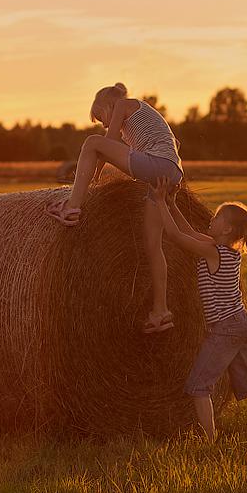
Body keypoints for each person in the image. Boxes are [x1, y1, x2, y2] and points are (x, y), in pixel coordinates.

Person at [150, 177, 247, 442]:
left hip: (225, 328)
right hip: (239, 323)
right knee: (246, 385)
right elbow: (188, 231)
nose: (210, 220)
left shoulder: (214, 253)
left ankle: (210, 441)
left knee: (199, 386)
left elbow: (177, 236)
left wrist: (158, 203)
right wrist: (171, 202)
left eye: (216, 218)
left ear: (226, 229)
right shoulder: (222, 250)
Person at [45, 82, 183, 333]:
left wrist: (92, 177)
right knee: (153, 245)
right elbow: (174, 144)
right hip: (169, 172)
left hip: (157, 164)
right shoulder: (148, 116)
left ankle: (73, 206)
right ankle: (160, 311)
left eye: (101, 117)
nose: (105, 124)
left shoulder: (123, 104)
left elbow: (104, 144)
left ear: (109, 105)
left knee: (91, 142)